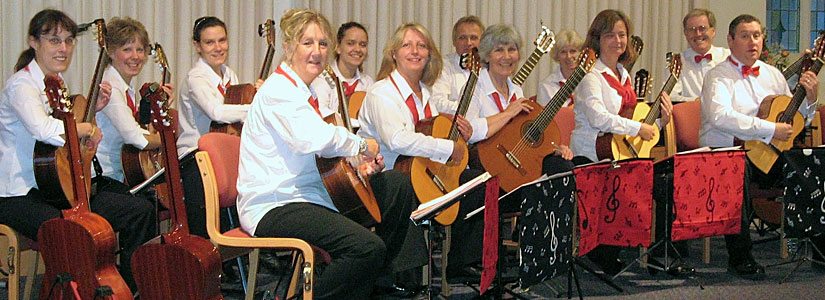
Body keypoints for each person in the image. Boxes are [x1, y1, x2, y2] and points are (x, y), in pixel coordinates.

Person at [235, 8, 415, 299]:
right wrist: (361, 146)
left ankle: (372, 281)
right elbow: (311, 139)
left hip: (310, 196)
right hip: (275, 204)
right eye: (307, 43)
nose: (317, 51)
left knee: (398, 186)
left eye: (322, 44)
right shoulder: (278, 90)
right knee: (365, 247)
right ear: (288, 47)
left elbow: (321, 160)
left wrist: (356, 169)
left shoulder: (308, 92)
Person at [0, 9, 156, 292]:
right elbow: (43, 130)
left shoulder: (56, 83)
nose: (63, 48)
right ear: (34, 42)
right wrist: (82, 130)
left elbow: (62, 147)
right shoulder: (22, 85)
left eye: (69, 41)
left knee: (139, 210)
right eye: (54, 41)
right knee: (73, 233)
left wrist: (89, 119)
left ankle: (132, 289)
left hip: (56, 188)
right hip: (17, 194)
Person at [357, 21, 490, 284]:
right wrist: (447, 147)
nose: (415, 51)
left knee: (476, 181)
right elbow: (397, 140)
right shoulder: (381, 93)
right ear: (393, 53)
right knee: (402, 184)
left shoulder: (425, 94)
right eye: (407, 45)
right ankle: (400, 277)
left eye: (421, 45)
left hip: (421, 175)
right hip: (384, 179)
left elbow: (432, 135)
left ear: (429, 53)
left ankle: (462, 263)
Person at [700, 14, 820, 278]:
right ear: (730, 41)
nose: (752, 41)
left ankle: (819, 250)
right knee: (736, 170)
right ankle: (740, 258)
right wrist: (770, 129)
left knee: (814, 164)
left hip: (769, 155)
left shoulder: (773, 74)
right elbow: (721, 117)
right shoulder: (717, 76)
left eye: (756, 35)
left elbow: (793, 118)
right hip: (725, 154)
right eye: (744, 36)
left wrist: (810, 101)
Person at [570, 9, 673, 275]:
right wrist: (640, 127)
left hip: (618, 153)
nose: (617, 40)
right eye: (610, 35)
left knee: (666, 183)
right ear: (597, 39)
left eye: (622, 34)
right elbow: (599, 118)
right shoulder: (589, 75)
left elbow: (634, 122)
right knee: (625, 180)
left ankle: (660, 254)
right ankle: (603, 251)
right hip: (590, 154)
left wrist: (660, 120)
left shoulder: (624, 75)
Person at [464, 23, 574, 178]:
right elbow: (470, 132)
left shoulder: (516, 90)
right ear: (487, 56)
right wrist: (508, 113)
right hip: (485, 167)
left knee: (562, 166)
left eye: (512, 49)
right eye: (499, 50)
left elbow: (522, 138)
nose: (507, 56)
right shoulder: (474, 88)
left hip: (513, 165)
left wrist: (551, 149)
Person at [176, 16, 249, 239]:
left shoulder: (229, 74)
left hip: (220, 155)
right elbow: (216, 112)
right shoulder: (195, 78)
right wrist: (255, 108)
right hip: (194, 158)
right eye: (210, 42)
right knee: (206, 224)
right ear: (197, 46)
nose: (218, 48)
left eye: (222, 40)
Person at [95, 17, 170, 188]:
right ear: (111, 52)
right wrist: (166, 140)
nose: (136, 57)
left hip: (123, 172)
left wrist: (161, 107)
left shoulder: (126, 83)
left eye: (140, 50)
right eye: (127, 49)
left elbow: (138, 125)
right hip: (106, 177)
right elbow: (135, 137)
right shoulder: (111, 86)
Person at [309, 21, 374, 127]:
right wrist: (358, 123)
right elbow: (320, 112)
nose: (357, 49)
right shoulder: (323, 78)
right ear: (338, 47)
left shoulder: (368, 83)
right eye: (351, 43)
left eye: (363, 45)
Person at [669, 8, 731, 103]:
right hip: (691, 116)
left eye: (702, 28)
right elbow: (670, 97)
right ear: (685, 33)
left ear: (713, 31)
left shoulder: (728, 57)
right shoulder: (677, 62)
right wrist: (696, 101)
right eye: (692, 30)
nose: (698, 34)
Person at [431, 15, 485, 114]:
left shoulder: (490, 67)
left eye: (473, 38)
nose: (468, 43)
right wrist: (472, 111)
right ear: (454, 41)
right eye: (462, 38)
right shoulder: (442, 65)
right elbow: (437, 103)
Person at [536, 29, 583, 107]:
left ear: (581, 53)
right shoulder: (546, 86)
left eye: (573, 51)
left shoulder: (590, 80)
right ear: (557, 55)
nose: (569, 56)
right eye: (563, 52)